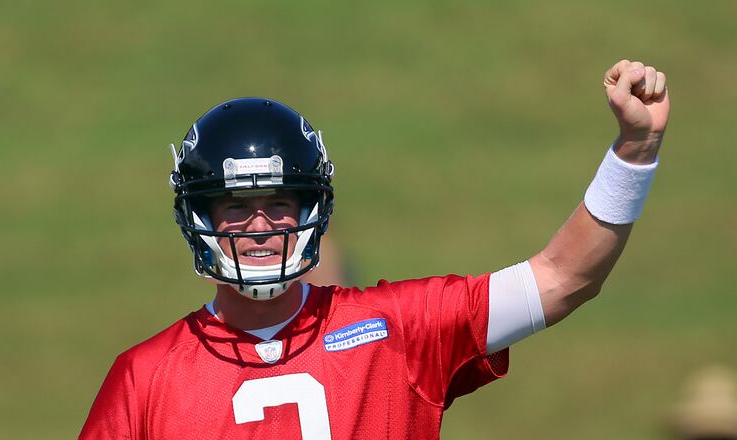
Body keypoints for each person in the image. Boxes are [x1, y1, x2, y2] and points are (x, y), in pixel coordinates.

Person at [79, 59, 669, 439]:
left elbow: (564, 277)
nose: (259, 225)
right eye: (235, 205)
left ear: (311, 211)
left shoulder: (398, 329)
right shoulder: (143, 379)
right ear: (200, 219)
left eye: (279, 202)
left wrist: (635, 151)